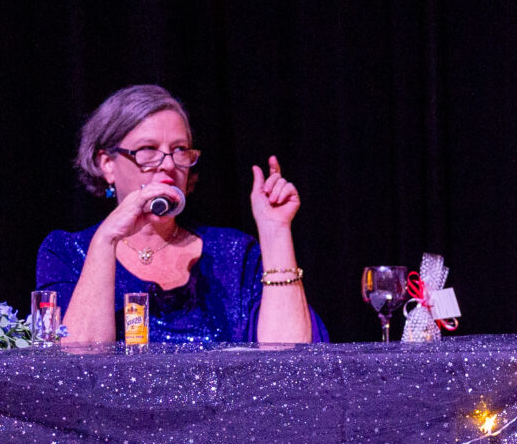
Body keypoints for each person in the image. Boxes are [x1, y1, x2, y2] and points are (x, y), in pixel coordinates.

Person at [37, 84, 323, 346]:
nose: (169, 165)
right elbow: (79, 364)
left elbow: (290, 359)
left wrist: (275, 231)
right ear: (107, 164)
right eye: (148, 150)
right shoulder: (66, 252)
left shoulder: (233, 252)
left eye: (180, 150)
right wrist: (107, 240)